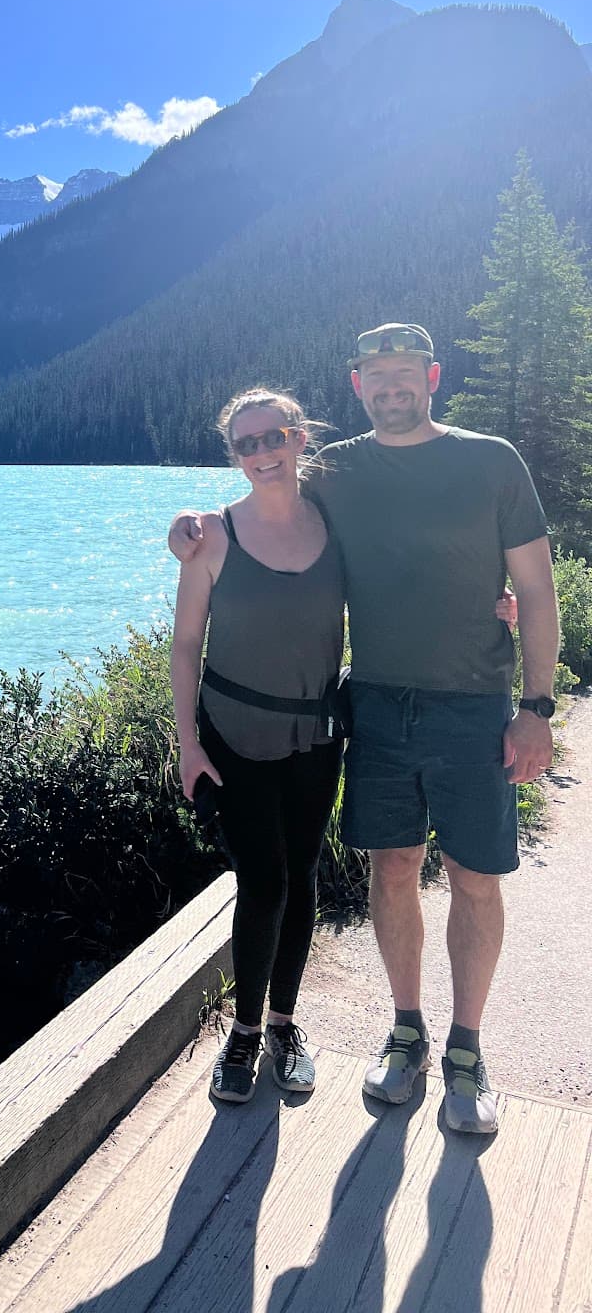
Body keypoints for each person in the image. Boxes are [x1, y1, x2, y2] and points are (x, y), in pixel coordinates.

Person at [170, 323, 558, 1134]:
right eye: (376, 376)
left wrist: (536, 704)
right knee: (390, 870)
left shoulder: (490, 461)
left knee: (474, 878)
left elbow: (538, 588)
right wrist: (187, 529)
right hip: (374, 704)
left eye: (405, 374)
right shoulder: (336, 470)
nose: (391, 388)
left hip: (469, 704)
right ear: (356, 386)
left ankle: (466, 1051)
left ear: (432, 377)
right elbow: (252, 519)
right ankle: (403, 1032)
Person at [171, 387, 345, 1104]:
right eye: (246, 444)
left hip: (316, 732)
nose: (262, 453)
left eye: (273, 437)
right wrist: (186, 744)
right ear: (235, 455)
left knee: (302, 877)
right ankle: (243, 1033)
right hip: (234, 734)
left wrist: (489, 603)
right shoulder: (211, 535)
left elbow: (408, 575)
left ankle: (283, 1023)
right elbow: (185, 648)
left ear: (299, 438)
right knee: (263, 881)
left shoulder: (336, 521)